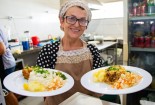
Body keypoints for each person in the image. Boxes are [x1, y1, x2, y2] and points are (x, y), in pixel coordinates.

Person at [36, 0, 105, 105]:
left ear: (86, 25)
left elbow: (99, 81)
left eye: (82, 20)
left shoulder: (92, 50)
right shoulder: (49, 50)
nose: (77, 24)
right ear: (61, 21)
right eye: (71, 18)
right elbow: (39, 82)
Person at [0, 27, 18, 105]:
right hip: (7, 62)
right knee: (6, 91)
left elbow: (1, 49)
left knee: (5, 92)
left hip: (4, 64)